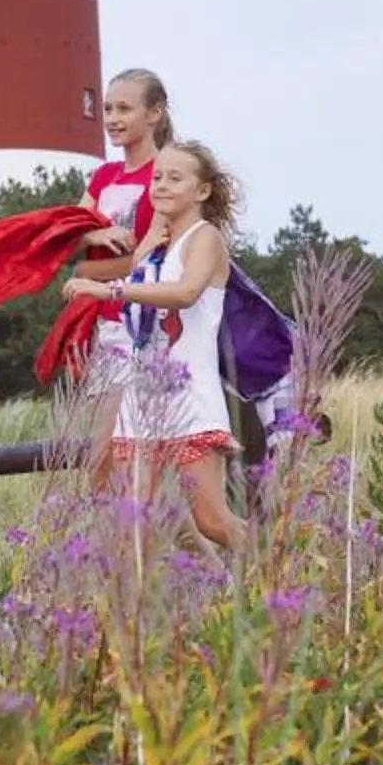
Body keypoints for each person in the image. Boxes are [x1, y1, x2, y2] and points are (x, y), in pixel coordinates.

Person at [65, 141, 243, 547]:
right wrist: (134, 259)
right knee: (132, 517)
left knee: (212, 521)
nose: (161, 185)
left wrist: (110, 291)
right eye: (157, 177)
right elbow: (136, 305)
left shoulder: (205, 238)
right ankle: (134, 604)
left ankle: (280, 575)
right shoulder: (151, 247)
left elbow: (184, 293)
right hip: (141, 392)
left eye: (175, 178)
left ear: (202, 191)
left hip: (189, 394)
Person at [71, 68, 173, 287]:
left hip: (138, 312)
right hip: (91, 312)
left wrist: (84, 269)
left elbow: (155, 257)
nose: (112, 119)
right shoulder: (103, 175)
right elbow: (66, 240)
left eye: (124, 109)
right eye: (108, 109)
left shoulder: (167, 175)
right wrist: (92, 237)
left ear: (155, 112)